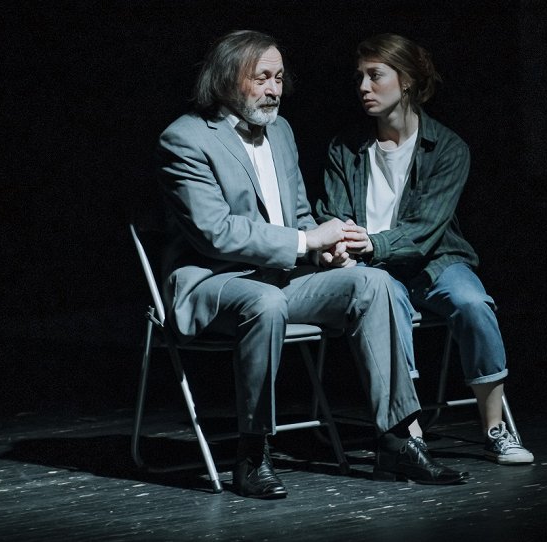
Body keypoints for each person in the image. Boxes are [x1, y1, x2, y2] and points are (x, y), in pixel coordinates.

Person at [156, 30, 465, 499]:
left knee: (374, 283)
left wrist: (326, 249)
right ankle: (252, 452)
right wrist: (306, 241)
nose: (274, 89)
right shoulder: (185, 138)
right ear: (227, 79)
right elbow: (215, 232)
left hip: (282, 278)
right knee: (265, 303)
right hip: (215, 282)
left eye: (279, 78)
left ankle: (397, 439)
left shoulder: (280, 132)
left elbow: (299, 215)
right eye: (262, 78)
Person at [315, 33, 534, 465]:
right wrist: (337, 246)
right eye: (359, 77)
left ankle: (494, 428)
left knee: (474, 304)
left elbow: (426, 228)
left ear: (407, 80)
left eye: (375, 76)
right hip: (373, 269)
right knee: (386, 304)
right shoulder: (345, 146)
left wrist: (373, 243)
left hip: (435, 261)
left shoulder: (448, 148)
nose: (364, 87)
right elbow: (332, 213)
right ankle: (409, 431)